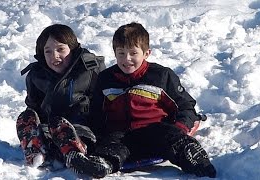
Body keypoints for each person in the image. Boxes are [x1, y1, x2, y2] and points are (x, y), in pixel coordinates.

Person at [86, 22, 217, 178]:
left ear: (146, 53)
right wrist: (97, 137)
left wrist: (179, 128)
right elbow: (96, 113)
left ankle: (193, 156)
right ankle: (103, 163)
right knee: (111, 146)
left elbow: (185, 106)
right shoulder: (106, 79)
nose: (127, 59)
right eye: (121, 53)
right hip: (121, 135)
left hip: (154, 131)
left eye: (133, 53)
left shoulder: (161, 76)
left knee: (169, 136)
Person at [16, 24, 110, 178]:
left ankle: (76, 155)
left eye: (60, 49)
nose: (55, 56)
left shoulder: (90, 69)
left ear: (72, 49)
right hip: (50, 130)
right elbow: (34, 106)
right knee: (26, 117)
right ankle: (37, 150)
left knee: (61, 125)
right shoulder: (36, 75)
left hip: (82, 128)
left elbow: (105, 102)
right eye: (48, 51)